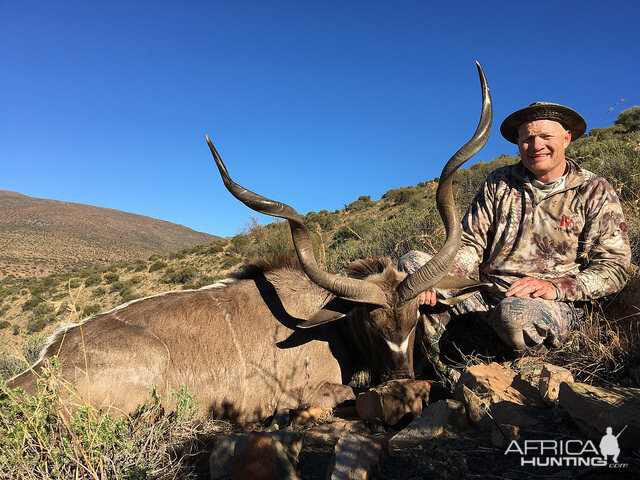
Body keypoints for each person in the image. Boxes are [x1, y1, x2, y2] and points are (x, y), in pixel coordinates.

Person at [400, 102, 632, 365]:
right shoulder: (498, 182)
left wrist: (556, 287)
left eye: (546, 137)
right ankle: (450, 373)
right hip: (486, 294)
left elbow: (614, 267)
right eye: (528, 139)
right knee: (413, 266)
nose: (536, 146)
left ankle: (518, 371)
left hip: (549, 304)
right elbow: (470, 243)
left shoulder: (594, 189)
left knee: (513, 317)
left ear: (566, 138)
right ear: (518, 143)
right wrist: (437, 281)